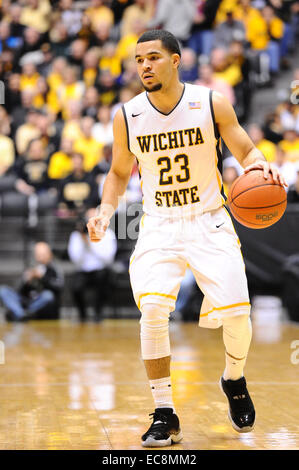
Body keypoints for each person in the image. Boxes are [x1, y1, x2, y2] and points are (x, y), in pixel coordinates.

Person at [87, 30, 287, 447]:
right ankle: (164, 412)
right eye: (139, 59)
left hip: (210, 219)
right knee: (154, 312)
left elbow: (246, 151)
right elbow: (120, 173)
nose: (144, 65)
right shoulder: (127, 115)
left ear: (175, 61)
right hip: (159, 224)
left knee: (237, 317)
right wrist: (105, 211)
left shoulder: (210, 102)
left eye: (153, 57)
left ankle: (233, 379)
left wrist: (262, 165)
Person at [68, 209, 117, 321]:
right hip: (83, 271)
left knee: (104, 282)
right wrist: (83, 241)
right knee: (76, 288)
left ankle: (98, 313)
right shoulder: (76, 236)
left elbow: (108, 259)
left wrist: (91, 242)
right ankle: (83, 315)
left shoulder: (108, 234)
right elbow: (76, 260)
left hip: (101, 270)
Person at [0, 242, 64, 321]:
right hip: (27, 300)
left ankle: (23, 314)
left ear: (50, 255)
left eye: (43, 254)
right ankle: (21, 314)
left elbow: (58, 287)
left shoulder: (54, 269)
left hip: (40, 302)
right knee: (3, 290)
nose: (40, 257)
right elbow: (19, 291)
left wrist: (42, 277)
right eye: (38, 254)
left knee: (48, 295)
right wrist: (26, 281)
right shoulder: (31, 266)